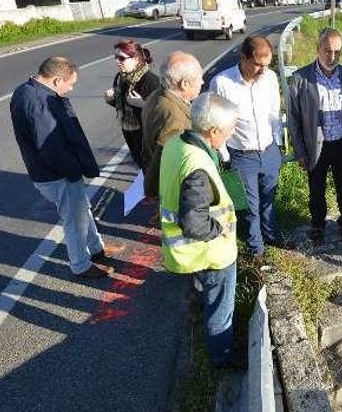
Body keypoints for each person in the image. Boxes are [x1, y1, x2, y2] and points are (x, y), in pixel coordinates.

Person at [10, 56, 123, 279]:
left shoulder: (26, 90)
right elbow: (51, 147)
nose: (71, 88)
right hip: (57, 173)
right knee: (74, 220)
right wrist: (73, 171)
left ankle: (96, 248)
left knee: (82, 210)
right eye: (70, 83)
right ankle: (80, 264)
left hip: (52, 171)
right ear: (56, 80)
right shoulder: (41, 102)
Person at [158, 93, 239, 367]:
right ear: (213, 131)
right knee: (220, 311)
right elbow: (195, 222)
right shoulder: (197, 166)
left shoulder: (176, 143)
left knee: (207, 300)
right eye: (230, 129)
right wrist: (222, 228)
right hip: (210, 254)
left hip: (189, 254)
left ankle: (212, 342)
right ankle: (222, 359)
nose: (232, 133)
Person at [208, 36, 283, 258]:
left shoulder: (270, 78)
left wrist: (278, 144)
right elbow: (215, 121)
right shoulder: (222, 83)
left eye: (267, 65)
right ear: (244, 58)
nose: (263, 70)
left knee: (269, 198)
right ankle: (256, 249)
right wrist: (224, 156)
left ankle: (271, 235)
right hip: (241, 155)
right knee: (250, 206)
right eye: (258, 64)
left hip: (269, 151)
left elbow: (275, 113)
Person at [288, 27, 342, 245]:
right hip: (315, 145)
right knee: (316, 189)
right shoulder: (301, 78)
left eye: (337, 52)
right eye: (327, 51)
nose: (332, 56)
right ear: (317, 49)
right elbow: (294, 118)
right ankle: (318, 224)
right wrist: (300, 151)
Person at [141, 51, 203, 199]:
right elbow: (163, 156)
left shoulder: (157, 95)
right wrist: (151, 191)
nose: (202, 82)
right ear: (184, 84)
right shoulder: (175, 118)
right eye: (199, 78)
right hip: (175, 189)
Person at [103, 39, 161, 169]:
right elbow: (126, 104)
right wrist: (111, 99)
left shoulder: (150, 81)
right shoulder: (122, 78)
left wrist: (143, 104)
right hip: (129, 132)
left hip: (147, 137)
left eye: (121, 58)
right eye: (116, 57)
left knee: (151, 170)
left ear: (135, 59)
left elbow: (162, 112)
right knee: (140, 164)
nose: (117, 61)